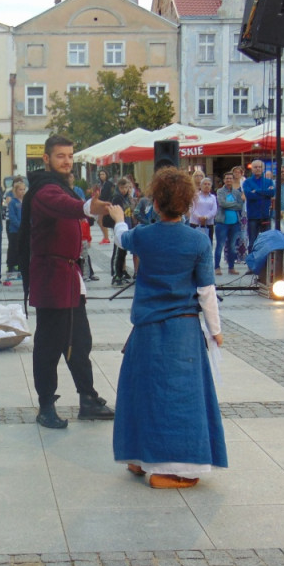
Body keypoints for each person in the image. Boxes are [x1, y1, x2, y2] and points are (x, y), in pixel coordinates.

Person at [107, 167, 226, 489]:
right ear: (188, 204)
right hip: (183, 331)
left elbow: (121, 237)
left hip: (146, 329)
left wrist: (119, 216)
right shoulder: (198, 241)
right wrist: (216, 331)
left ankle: (138, 456)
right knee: (180, 399)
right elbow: (206, 292)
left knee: (142, 392)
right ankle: (173, 469)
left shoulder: (144, 235)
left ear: (156, 203)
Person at [19, 135, 115, 429]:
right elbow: (64, 206)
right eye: (61, 156)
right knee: (48, 346)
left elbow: (73, 207)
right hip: (51, 279)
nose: (67, 161)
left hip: (71, 278)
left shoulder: (64, 187)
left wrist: (95, 209)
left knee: (79, 341)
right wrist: (88, 207)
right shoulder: (44, 190)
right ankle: (46, 405)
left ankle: (87, 398)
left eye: (70, 156)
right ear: (46, 159)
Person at [213, 170, 245, 276]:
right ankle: (217, 267)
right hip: (222, 223)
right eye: (227, 178)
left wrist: (230, 204)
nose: (229, 180)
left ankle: (231, 267)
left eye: (230, 178)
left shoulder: (237, 192)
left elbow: (240, 205)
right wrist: (234, 204)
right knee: (220, 245)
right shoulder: (220, 191)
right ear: (224, 180)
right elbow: (222, 204)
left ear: (233, 180)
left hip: (235, 223)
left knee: (232, 246)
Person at [242, 159, 274, 250]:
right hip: (253, 216)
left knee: (266, 240)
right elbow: (249, 195)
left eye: (260, 167)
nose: (258, 169)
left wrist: (256, 191)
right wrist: (264, 193)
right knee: (252, 240)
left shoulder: (268, 181)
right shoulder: (247, 182)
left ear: (263, 168)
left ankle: (264, 261)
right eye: (255, 167)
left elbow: (272, 193)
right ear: (252, 169)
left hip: (265, 215)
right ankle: (252, 261)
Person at [5, 179, 25, 277]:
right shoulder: (13, 202)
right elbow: (12, 217)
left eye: (23, 189)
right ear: (16, 191)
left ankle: (20, 267)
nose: (22, 192)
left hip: (24, 231)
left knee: (22, 250)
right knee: (13, 248)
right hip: (15, 230)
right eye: (20, 190)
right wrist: (20, 226)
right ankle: (11, 266)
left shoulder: (25, 202)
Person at [189, 176, 217, 243]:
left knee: (208, 242)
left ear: (211, 186)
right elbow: (192, 208)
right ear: (201, 186)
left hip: (208, 223)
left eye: (208, 184)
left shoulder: (213, 197)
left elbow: (214, 210)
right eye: (205, 184)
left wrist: (206, 217)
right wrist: (199, 217)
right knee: (195, 242)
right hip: (195, 222)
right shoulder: (195, 196)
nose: (206, 186)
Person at [95, 168, 114, 244]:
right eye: (100, 174)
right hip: (101, 203)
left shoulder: (109, 184)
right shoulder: (101, 184)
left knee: (101, 221)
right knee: (100, 221)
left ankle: (106, 237)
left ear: (106, 175)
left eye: (103, 174)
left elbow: (108, 194)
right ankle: (105, 237)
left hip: (105, 204)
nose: (101, 176)